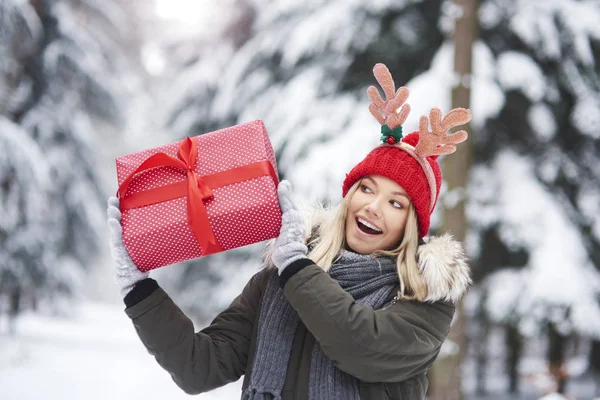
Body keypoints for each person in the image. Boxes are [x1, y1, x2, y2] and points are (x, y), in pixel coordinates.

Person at [106, 63, 472, 400]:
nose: (373, 207)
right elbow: (200, 367)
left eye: (396, 203)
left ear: (413, 224)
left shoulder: (425, 296)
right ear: (349, 196)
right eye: (366, 189)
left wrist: (297, 268)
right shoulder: (281, 276)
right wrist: (139, 290)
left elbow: (362, 347)